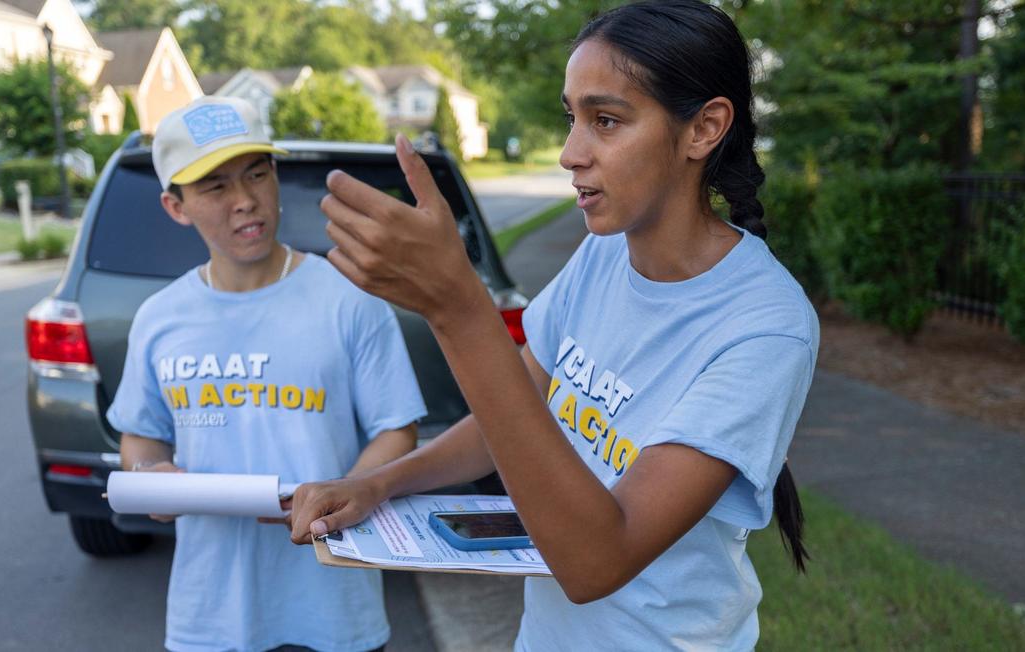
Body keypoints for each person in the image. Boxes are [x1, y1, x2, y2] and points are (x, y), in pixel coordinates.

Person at [290, 1, 819, 649]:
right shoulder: (603, 253)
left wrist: (459, 310)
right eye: (572, 118)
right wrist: (377, 483)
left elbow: (599, 560)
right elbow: (510, 418)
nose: (572, 153)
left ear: (704, 128)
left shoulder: (765, 326)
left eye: (606, 120)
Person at [106, 95, 427, 652]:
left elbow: (396, 429)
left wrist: (349, 491)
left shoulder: (349, 297)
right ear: (175, 207)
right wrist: (152, 475)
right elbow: (140, 436)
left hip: (335, 608)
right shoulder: (160, 317)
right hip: (209, 615)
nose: (245, 201)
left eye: (257, 174)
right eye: (216, 187)